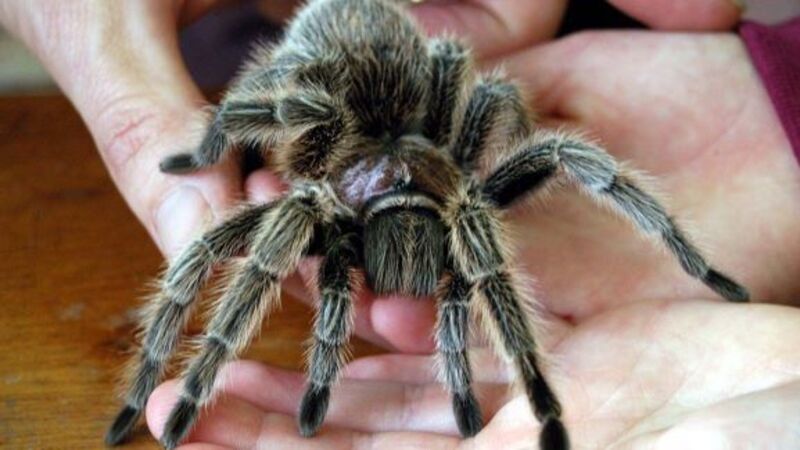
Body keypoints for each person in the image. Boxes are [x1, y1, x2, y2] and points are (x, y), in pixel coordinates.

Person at [3, 0, 799, 447]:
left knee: (558, 148)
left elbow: (495, 95)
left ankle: (560, 375)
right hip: (305, 96)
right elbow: (270, 104)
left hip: (441, 130)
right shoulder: (314, 163)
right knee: (226, 240)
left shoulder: (464, 172)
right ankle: (167, 380)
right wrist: (214, 146)